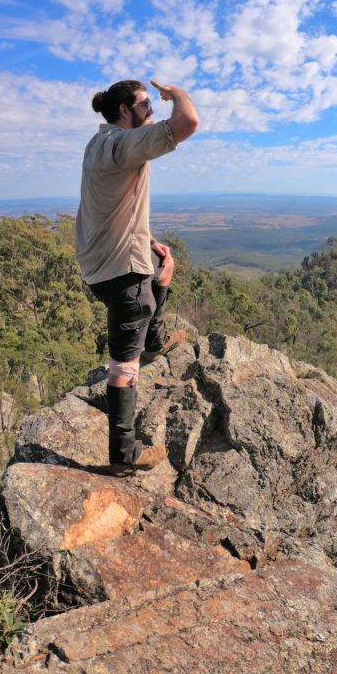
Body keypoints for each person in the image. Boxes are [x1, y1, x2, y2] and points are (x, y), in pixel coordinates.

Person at [76, 79, 199, 475]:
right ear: (125, 111)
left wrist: (144, 240)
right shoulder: (120, 145)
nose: (152, 112)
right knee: (123, 367)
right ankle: (123, 456)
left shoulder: (102, 144)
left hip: (104, 260)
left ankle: (154, 341)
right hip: (117, 272)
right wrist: (176, 93)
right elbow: (187, 122)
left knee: (161, 266)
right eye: (145, 105)